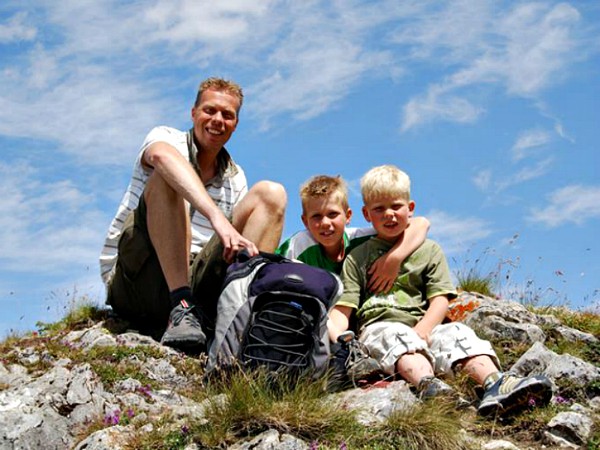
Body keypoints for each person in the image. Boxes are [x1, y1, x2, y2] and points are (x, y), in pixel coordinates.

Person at [328, 165, 552, 417]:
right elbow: (344, 308)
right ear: (366, 214)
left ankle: (495, 383)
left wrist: (424, 328)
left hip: (426, 325)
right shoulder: (357, 257)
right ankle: (429, 385)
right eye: (379, 209)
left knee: (457, 333)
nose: (389, 214)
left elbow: (440, 299)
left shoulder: (429, 250)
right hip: (381, 324)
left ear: (410, 209)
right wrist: (339, 335)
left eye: (396, 206)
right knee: (397, 338)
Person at [99, 77, 286, 352]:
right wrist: (217, 218)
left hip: (199, 279)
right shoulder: (166, 137)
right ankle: (181, 306)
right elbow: (161, 157)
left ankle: (243, 319)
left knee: (272, 193)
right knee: (168, 175)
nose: (217, 120)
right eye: (210, 110)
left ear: (235, 124)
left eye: (228, 115)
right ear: (194, 113)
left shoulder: (235, 177)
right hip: (139, 280)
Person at [276, 175, 430, 291]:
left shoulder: (362, 238)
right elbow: (271, 271)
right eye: (316, 216)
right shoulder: (298, 245)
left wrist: (393, 259)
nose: (325, 223)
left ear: (348, 216)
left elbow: (421, 223)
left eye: (332, 214)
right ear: (305, 222)